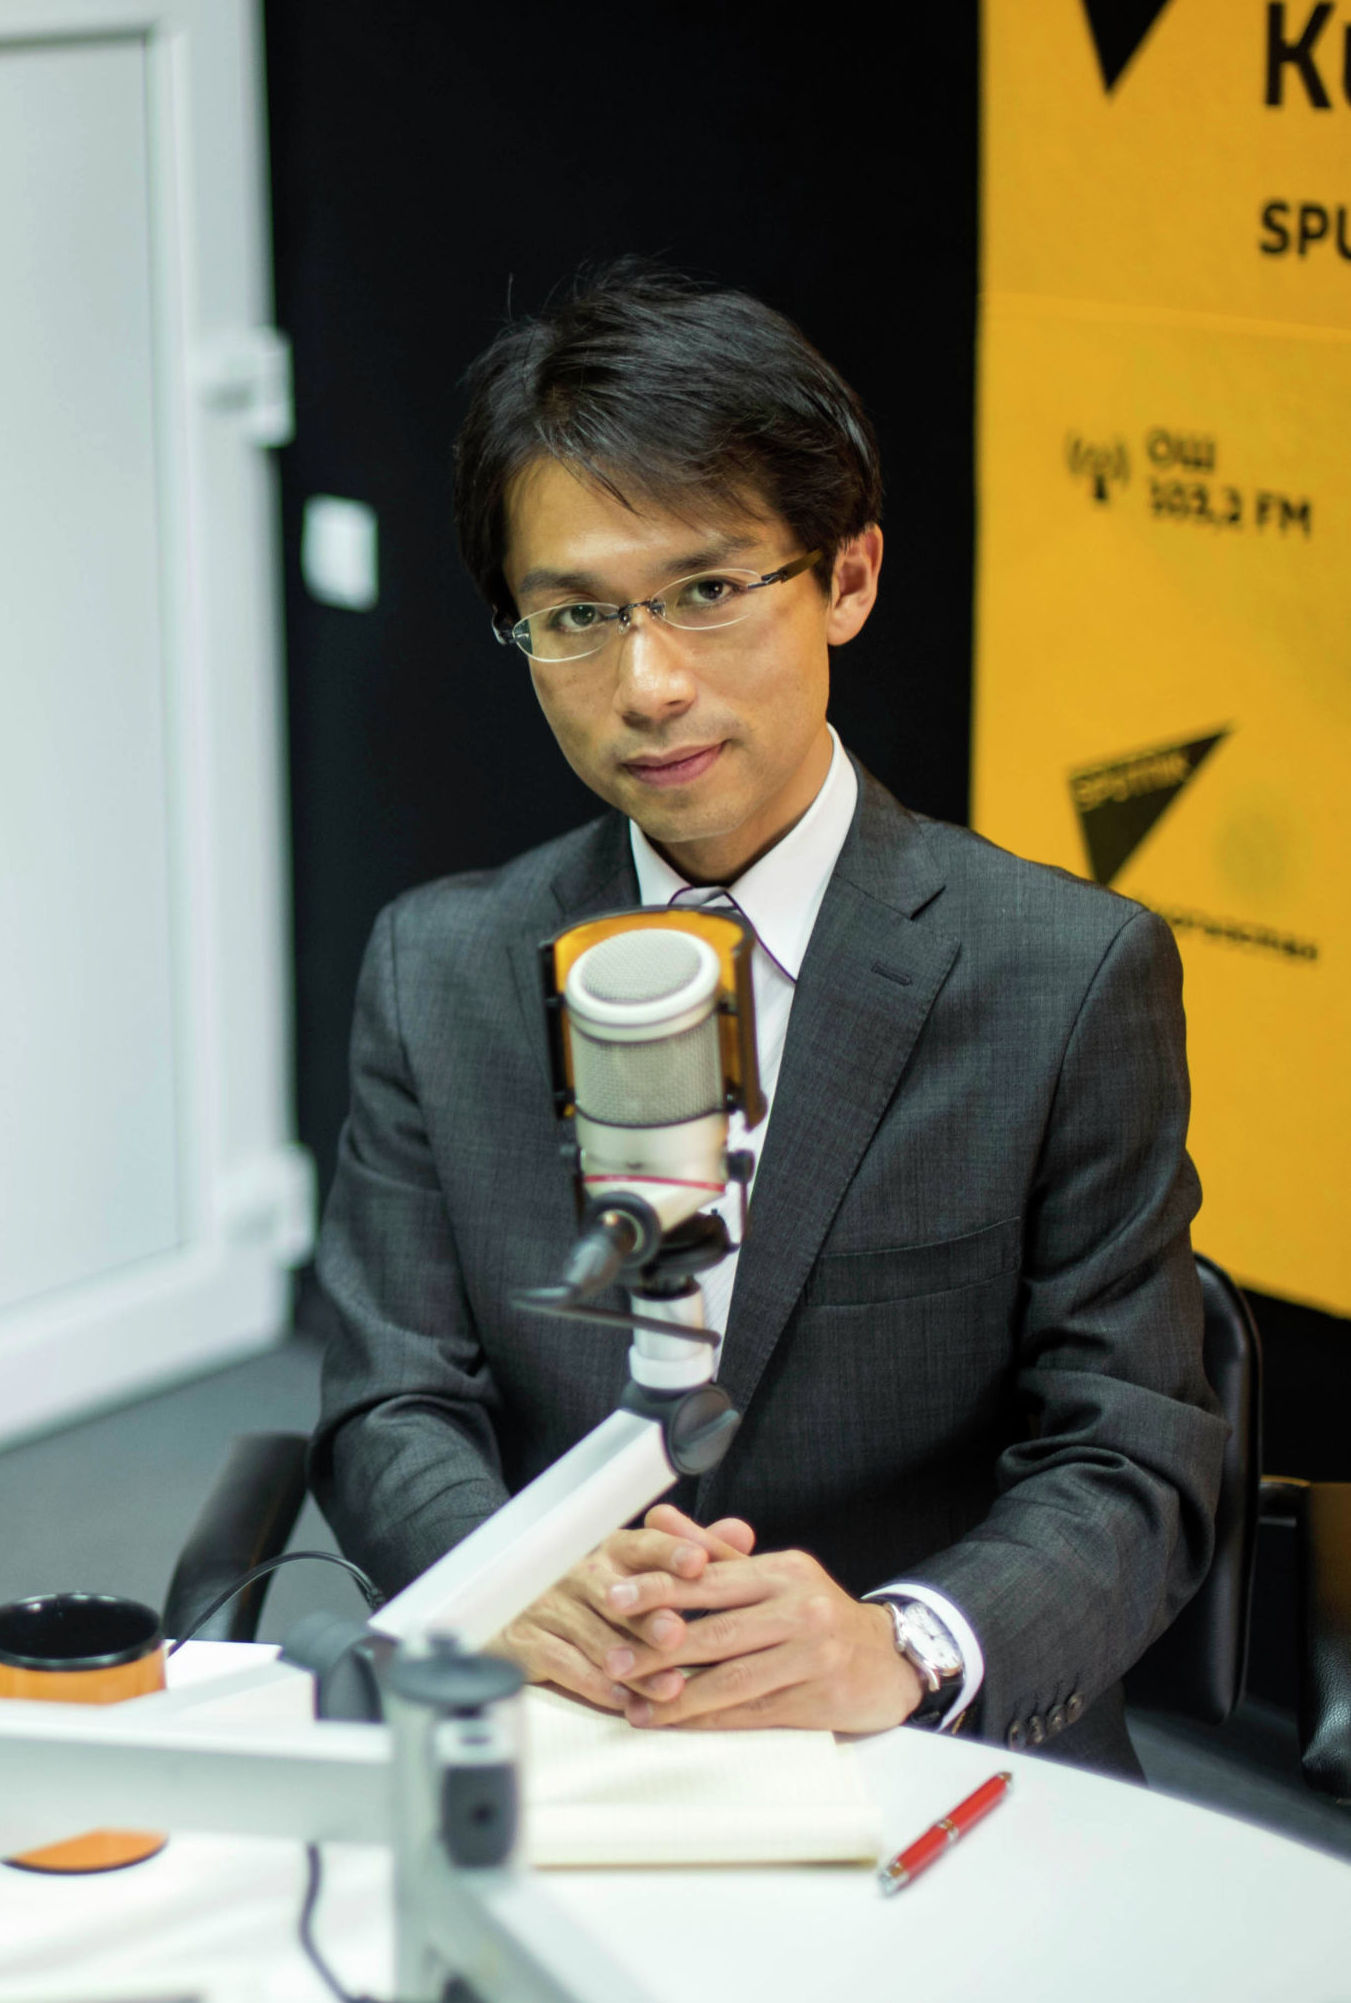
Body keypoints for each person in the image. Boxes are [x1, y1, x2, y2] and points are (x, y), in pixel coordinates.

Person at [305, 262, 1222, 1774]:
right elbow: (387, 1397)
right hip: (557, 1723)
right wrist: (503, 1573)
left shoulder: (1060, 975)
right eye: (575, 615)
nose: (648, 683)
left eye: (706, 591)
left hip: (920, 1747)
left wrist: (901, 1642)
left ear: (845, 578)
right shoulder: (437, 966)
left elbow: (1132, 1453)